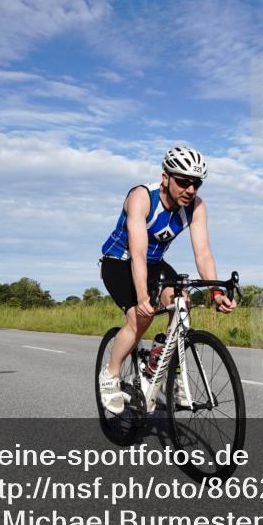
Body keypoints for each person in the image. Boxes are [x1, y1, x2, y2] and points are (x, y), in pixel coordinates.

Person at [99, 146, 236, 414]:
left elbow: (204, 253)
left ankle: (161, 366)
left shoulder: (196, 207)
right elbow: (137, 253)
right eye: (183, 182)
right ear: (165, 177)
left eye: (196, 183)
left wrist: (216, 293)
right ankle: (111, 374)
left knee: (182, 303)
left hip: (153, 264)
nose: (191, 189)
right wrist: (142, 299)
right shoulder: (141, 197)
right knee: (141, 318)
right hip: (119, 261)